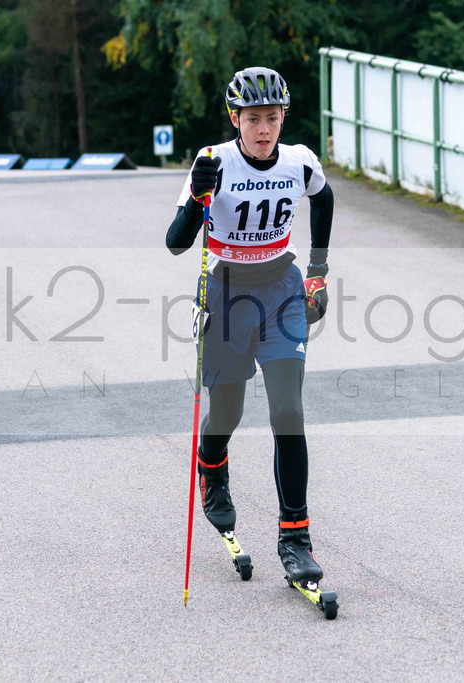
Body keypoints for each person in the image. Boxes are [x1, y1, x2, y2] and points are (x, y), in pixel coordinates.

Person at [165, 66, 334, 586]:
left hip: (282, 292)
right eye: (254, 118)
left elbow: (323, 199)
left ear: (284, 119)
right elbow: (176, 242)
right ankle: (211, 466)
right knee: (228, 412)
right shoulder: (212, 162)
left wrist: (317, 271)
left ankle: (295, 538)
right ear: (235, 119)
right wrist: (197, 198)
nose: (264, 129)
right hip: (226, 290)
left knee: (288, 411)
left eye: (273, 118)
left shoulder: (301, 161)